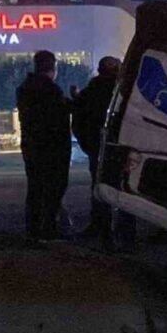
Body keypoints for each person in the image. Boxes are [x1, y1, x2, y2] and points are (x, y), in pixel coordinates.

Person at [16, 50, 72, 244]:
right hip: (52, 149)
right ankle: (47, 229)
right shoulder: (51, 90)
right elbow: (57, 117)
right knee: (52, 189)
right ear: (53, 67)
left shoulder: (24, 88)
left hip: (32, 147)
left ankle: (34, 229)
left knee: (35, 189)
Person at [71, 56, 121, 239]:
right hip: (119, 149)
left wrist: (89, 146)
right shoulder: (122, 92)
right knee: (123, 189)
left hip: (97, 149)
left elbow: (78, 121)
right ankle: (124, 232)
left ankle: (101, 225)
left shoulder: (90, 92)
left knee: (99, 188)